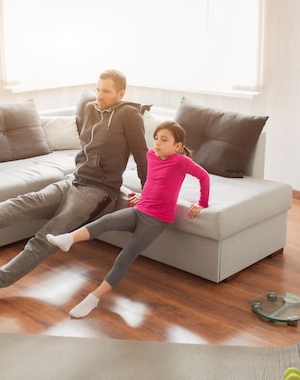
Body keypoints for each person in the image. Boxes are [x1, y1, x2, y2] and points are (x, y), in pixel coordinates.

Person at [0, 69, 148, 301]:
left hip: (99, 192)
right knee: (26, 202)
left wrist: (147, 192)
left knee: (45, 237)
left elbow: (142, 155)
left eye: (106, 91)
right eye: (97, 89)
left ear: (121, 93)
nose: (99, 95)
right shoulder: (90, 110)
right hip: (74, 180)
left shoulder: (129, 115)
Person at [46, 120, 210, 318]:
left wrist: (202, 203)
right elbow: (154, 181)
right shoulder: (151, 156)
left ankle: (93, 298)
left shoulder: (181, 161)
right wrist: (144, 196)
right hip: (139, 210)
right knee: (106, 221)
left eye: (164, 140)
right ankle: (68, 239)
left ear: (177, 146)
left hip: (155, 220)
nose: (157, 143)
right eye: (156, 138)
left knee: (125, 256)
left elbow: (203, 176)